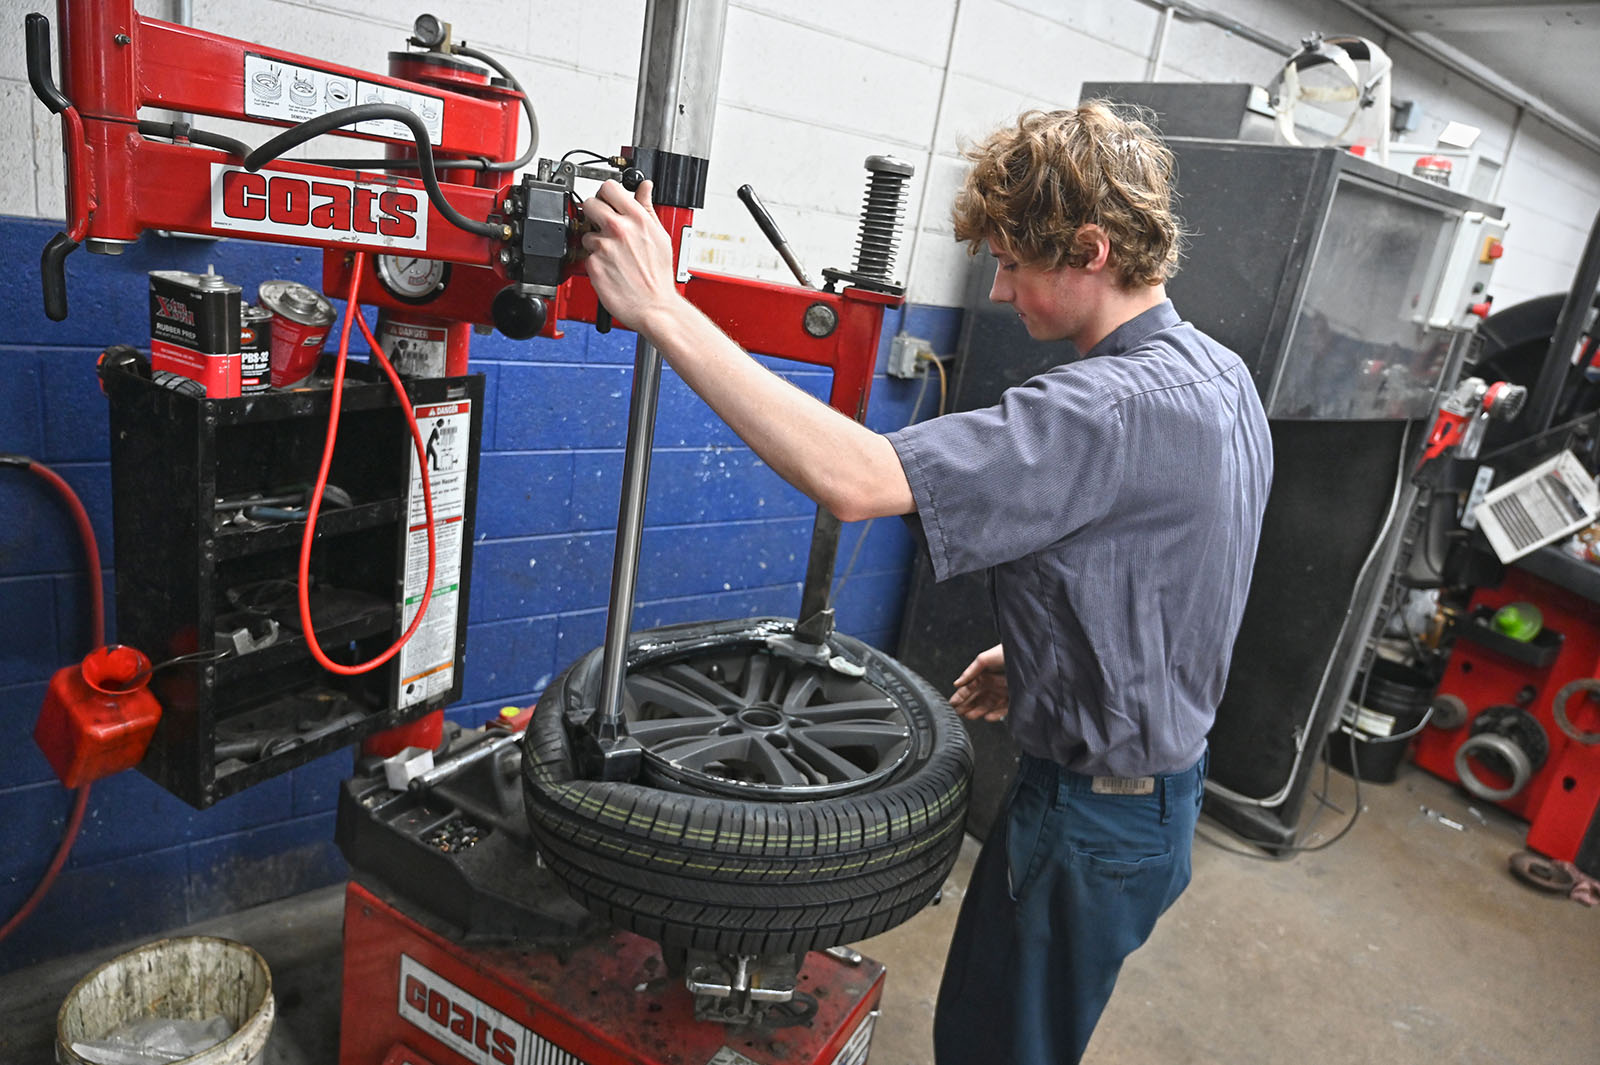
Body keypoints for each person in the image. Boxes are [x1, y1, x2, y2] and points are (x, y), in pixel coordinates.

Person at [579, 101, 1273, 1064]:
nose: (996, 289)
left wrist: (660, 308)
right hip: (1157, 799)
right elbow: (1181, 562)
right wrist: (1051, 659)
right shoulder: (1219, 377)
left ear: (1091, 248)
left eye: (1014, 263)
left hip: (1088, 818)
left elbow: (856, 479)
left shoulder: (1100, 405)